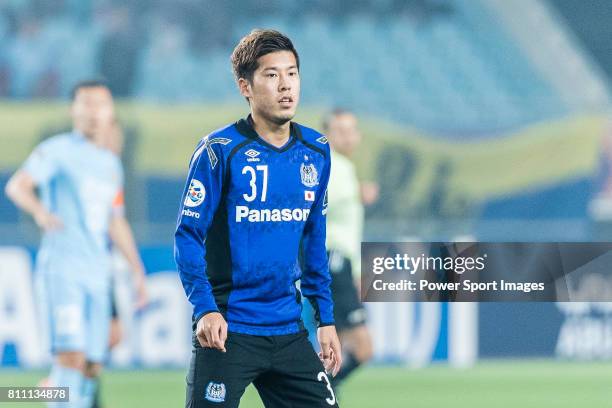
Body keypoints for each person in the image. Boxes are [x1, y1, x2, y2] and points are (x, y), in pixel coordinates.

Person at [174, 29, 342, 407]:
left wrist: (325, 320)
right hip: (228, 331)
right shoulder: (219, 152)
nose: (286, 86)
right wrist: (205, 309)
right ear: (245, 86)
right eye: (271, 75)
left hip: (288, 330)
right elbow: (187, 237)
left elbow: (314, 241)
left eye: (293, 73)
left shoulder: (316, 151)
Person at [5, 79, 147, 408]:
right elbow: (17, 186)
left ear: (110, 112)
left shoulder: (110, 164)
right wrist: (40, 211)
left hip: (97, 275)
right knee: (71, 357)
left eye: (100, 104)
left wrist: (136, 270)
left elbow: (115, 220)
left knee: (92, 364)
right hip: (63, 271)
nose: (93, 111)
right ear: (74, 110)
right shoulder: (57, 150)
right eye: (86, 103)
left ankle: (51, 393)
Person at [322, 109, 375, 388]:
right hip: (333, 259)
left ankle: (321, 395)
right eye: (339, 130)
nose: (347, 136)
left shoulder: (344, 167)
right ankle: (312, 393)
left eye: (351, 129)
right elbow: (315, 200)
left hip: (340, 263)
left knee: (335, 351)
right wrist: (355, 192)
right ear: (327, 134)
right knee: (363, 348)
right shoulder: (327, 163)